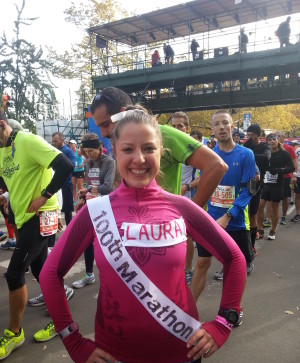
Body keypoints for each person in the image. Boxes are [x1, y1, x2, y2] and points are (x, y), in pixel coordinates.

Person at [39, 110, 245, 363]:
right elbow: (50, 273)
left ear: (161, 151)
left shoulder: (182, 208)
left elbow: (235, 259)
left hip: (181, 352)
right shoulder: (94, 212)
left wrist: (224, 322)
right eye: (128, 149)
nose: (139, 159)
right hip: (117, 359)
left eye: (148, 148)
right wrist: (72, 341)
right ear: (114, 152)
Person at [0, 110, 74, 360]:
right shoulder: (2, 150)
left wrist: (44, 194)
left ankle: (14, 333)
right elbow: (8, 179)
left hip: (43, 213)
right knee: (41, 271)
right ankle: (62, 321)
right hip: (23, 216)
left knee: (14, 272)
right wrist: (6, 197)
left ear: (2, 126)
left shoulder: (27, 141)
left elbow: (65, 165)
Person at [90, 87, 227, 208]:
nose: (102, 133)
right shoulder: (117, 142)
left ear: (123, 113)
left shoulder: (161, 133)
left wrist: (187, 219)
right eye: (128, 150)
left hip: (168, 229)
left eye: (106, 124)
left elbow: (216, 165)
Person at [189, 110, 255, 328]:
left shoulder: (246, 155)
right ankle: (187, 310)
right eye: (217, 124)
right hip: (211, 220)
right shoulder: (209, 155)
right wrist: (188, 187)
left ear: (232, 126)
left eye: (225, 123)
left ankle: (234, 307)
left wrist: (229, 215)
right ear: (213, 130)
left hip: (236, 222)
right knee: (202, 263)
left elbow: (248, 191)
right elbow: (203, 181)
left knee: (234, 267)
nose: (222, 127)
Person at [72, 133, 116, 289]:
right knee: (88, 241)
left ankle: (115, 277)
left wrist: (89, 189)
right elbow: (90, 187)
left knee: (108, 243)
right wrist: (83, 199)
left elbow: (108, 187)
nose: (88, 155)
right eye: (86, 152)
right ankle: (89, 275)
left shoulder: (109, 162)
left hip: (108, 207)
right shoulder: (88, 163)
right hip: (92, 205)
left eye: (91, 151)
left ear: (99, 147)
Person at [171, 111, 200, 284]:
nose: (176, 129)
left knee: (187, 235)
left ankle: (188, 268)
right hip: (169, 198)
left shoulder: (194, 148)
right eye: (173, 126)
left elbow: (205, 175)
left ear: (187, 128)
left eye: (180, 126)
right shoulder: (167, 144)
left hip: (187, 197)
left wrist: (187, 186)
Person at [257, 133, 295, 240]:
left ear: (278, 141)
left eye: (274, 139)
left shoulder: (284, 153)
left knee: (275, 207)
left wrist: (280, 170)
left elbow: (291, 168)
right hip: (265, 182)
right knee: (260, 205)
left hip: (277, 183)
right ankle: (260, 229)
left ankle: (273, 230)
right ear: (267, 141)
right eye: (270, 140)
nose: (272, 141)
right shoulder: (265, 153)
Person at [244, 124, 271, 247]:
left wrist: (248, 156)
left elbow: (266, 157)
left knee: (252, 215)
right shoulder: (247, 145)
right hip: (244, 182)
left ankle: (252, 246)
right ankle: (243, 243)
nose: (249, 137)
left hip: (257, 183)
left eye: (252, 135)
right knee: (241, 213)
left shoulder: (265, 146)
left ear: (258, 135)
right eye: (248, 135)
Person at [51, 132, 76, 226]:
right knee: (54, 208)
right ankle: (54, 228)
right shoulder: (52, 150)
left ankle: (69, 230)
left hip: (66, 184)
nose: (53, 143)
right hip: (54, 184)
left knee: (67, 210)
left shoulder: (68, 151)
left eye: (55, 141)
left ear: (62, 140)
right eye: (53, 141)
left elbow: (72, 165)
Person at [277, 132, 298, 225]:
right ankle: (272, 216)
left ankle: (283, 216)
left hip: (286, 176)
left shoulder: (289, 148)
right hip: (274, 177)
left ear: (283, 138)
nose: (278, 138)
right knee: (272, 198)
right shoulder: (271, 148)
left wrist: (294, 174)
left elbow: (295, 163)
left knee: (285, 197)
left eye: (280, 136)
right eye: (276, 137)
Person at [291, 141, 300, 221]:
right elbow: (294, 162)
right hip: (299, 175)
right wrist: (294, 174)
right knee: (298, 195)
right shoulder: (298, 151)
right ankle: (298, 213)